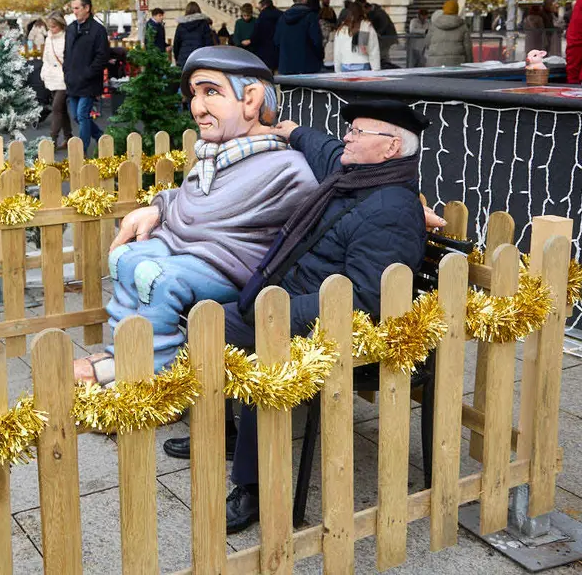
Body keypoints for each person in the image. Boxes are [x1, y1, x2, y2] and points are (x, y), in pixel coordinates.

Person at [165, 100, 431, 533]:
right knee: (204, 319)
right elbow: (323, 146)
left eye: (359, 132)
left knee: (245, 348)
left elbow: (367, 300)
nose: (348, 136)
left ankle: (253, 488)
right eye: (351, 129)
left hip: (334, 328)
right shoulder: (354, 174)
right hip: (290, 299)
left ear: (390, 146)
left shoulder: (391, 210)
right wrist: (289, 130)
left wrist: (278, 316)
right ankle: (232, 434)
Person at [73, 46, 318, 385]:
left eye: (211, 92)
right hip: (190, 251)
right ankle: (124, 353)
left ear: (251, 98)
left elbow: (210, 211)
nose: (197, 107)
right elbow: (193, 199)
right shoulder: (216, 157)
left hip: (232, 266)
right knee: (124, 257)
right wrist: (159, 207)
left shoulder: (287, 168)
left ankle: (156, 377)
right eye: (194, 94)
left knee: (155, 277)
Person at [63, 0, 109, 154]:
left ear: (87, 8)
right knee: (77, 116)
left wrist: (87, 74)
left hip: (89, 82)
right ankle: (100, 136)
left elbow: (102, 56)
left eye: (77, 8)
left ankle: (81, 152)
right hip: (73, 81)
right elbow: (66, 53)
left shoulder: (98, 30)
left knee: (82, 115)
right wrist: (66, 72)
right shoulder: (70, 29)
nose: (74, 11)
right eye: (73, 8)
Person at [275, 0, 323, 75]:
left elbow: (276, 41)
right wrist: (320, 56)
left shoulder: (282, 18)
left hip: (287, 65)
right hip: (308, 65)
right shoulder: (311, 16)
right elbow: (316, 40)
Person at [42, 11, 71, 148]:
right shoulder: (48, 39)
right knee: (62, 109)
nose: (51, 29)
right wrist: (44, 73)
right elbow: (45, 58)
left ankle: (52, 140)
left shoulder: (67, 38)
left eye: (54, 26)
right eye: (49, 26)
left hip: (64, 78)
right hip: (51, 77)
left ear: (61, 25)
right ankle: (69, 138)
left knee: (56, 108)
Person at [329, 1, 380, 73]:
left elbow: (337, 52)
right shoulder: (366, 26)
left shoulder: (341, 30)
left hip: (345, 64)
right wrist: (376, 69)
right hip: (363, 64)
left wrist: (337, 70)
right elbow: (373, 50)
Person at [425, 0, 473, 67]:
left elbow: (427, 43)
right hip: (456, 65)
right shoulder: (463, 26)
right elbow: (468, 48)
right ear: (456, 10)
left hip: (434, 64)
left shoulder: (434, 25)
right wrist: (470, 63)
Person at [172, 1, 215, 67]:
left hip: (184, 59)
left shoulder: (181, 25)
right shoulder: (204, 24)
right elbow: (208, 43)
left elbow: (176, 44)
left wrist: (178, 59)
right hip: (200, 58)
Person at [358, 0, 398, 67]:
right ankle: (385, 65)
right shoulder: (374, 12)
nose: (364, 13)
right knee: (383, 53)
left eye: (364, 11)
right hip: (383, 36)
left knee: (383, 53)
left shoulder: (379, 12)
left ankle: (386, 65)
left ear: (367, 8)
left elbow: (384, 24)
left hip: (386, 37)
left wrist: (378, 33)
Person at [251, 0, 281, 70]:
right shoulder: (281, 15)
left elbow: (256, 35)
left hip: (263, 51)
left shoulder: (262, 17)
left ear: (264, 6)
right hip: (279, 50)